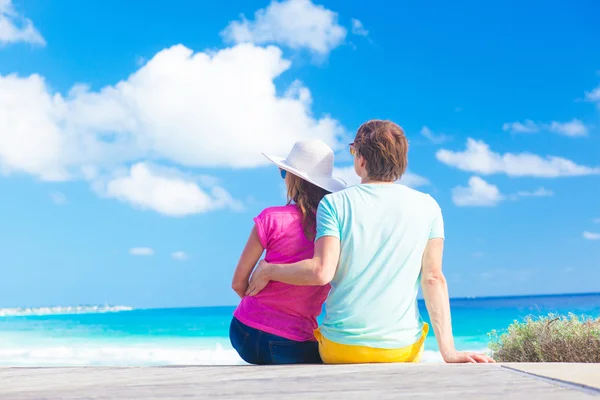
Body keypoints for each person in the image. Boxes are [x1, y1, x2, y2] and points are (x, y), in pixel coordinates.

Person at [247, 120, 495, 364]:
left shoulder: (334, 204)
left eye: (354, 151)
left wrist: (269, 270)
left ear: (361, 160)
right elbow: (433, 278)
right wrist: (449, 352)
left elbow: (321, 272)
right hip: (402, 349)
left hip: (340, 349)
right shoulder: (428, 206)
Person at [229, 139, 346, 365]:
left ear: (294, 179)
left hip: (242, 332)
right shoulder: (336, 231)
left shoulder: (270, 218)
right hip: (293, 344)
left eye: (284, 173)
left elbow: (237, 284)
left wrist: (266, 315)